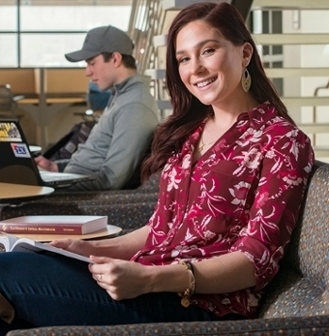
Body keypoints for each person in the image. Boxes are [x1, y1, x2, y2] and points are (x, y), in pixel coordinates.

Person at [0, 2, 314, 334]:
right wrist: (90, 249)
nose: (196, 69)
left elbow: (255, 260)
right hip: (143, 277)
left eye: (208, 50)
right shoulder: (192, 131)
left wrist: (150, 280)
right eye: (184, 59)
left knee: (7, 273)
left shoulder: (281, 140)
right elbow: (161, 228)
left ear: (245, 52)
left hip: (199, 304)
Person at [35, 25, 160, 191]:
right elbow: (97, 156)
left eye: (92, 63)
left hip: (82, 200)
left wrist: (53, 186)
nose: (87, 72)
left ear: (115, 59)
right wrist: (56, 168)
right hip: (74, 183)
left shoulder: (134, 106)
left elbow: (110, 180)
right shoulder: (121, 95)